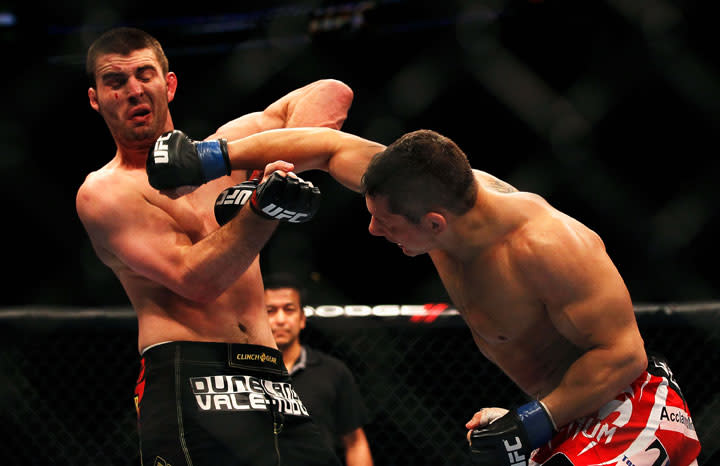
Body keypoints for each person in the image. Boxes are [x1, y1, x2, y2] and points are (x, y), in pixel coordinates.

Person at [148, 126, 702, 465]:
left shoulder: (549, 246)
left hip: (630, 411)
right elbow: (328, 145)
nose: (373, 232)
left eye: (386, 224)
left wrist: (535, 417)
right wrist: (211, 156)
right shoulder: (419, 190)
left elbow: (622, 355)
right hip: (559, 418)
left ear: (434, 224)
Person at [75, 26, 367, 466]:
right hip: (191, 373)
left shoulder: (228, 152)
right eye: (116, 82)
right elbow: (195, 280)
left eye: (145, 75)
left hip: (272, 378)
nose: (134, 90)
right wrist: (262, 206)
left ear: (168, 85)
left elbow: (331, 93)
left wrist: (242, 162)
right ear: (96, 98)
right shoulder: (104, 192)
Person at [263, 272, 374, 466]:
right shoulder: (241, 374)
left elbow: (355, 443)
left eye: (289, 309)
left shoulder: (333, 372)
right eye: (270, 310)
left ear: (302, 318)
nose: (280, 319)